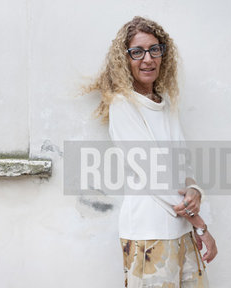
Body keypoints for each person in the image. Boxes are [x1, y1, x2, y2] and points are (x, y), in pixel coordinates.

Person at [81, 16, 217, 287]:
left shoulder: (164, 103)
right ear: (125, 58)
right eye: (137, 52)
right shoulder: (123, 106)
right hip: (148, 235)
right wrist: (201, 224)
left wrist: (195, 191)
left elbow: (182, 165)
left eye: (155, 49)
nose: (147, 59)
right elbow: (154, 175)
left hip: (182, 230)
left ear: (163, 54)